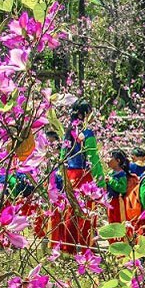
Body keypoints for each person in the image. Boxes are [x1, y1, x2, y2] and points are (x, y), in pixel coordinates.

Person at [52, 99, 99, 254]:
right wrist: (100, 180)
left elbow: (62, 156)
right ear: (83, 114)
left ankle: (68, 245)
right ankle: (86, 246)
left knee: (70, 208)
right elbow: (93, 158)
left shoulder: (68, 132)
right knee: (85, 210)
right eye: (90, 112)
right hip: (84, 174)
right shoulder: (87, 134)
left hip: (69, 173)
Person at [103, 149, 136, 234]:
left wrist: (110, 181)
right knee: (111, 222)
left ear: (118, 161)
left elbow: (122, 188)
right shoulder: (111, 173)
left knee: (118, 222)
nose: (107, 160)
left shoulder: (121, 174)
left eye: (110, 157)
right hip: (110, 201)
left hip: (117, 202)